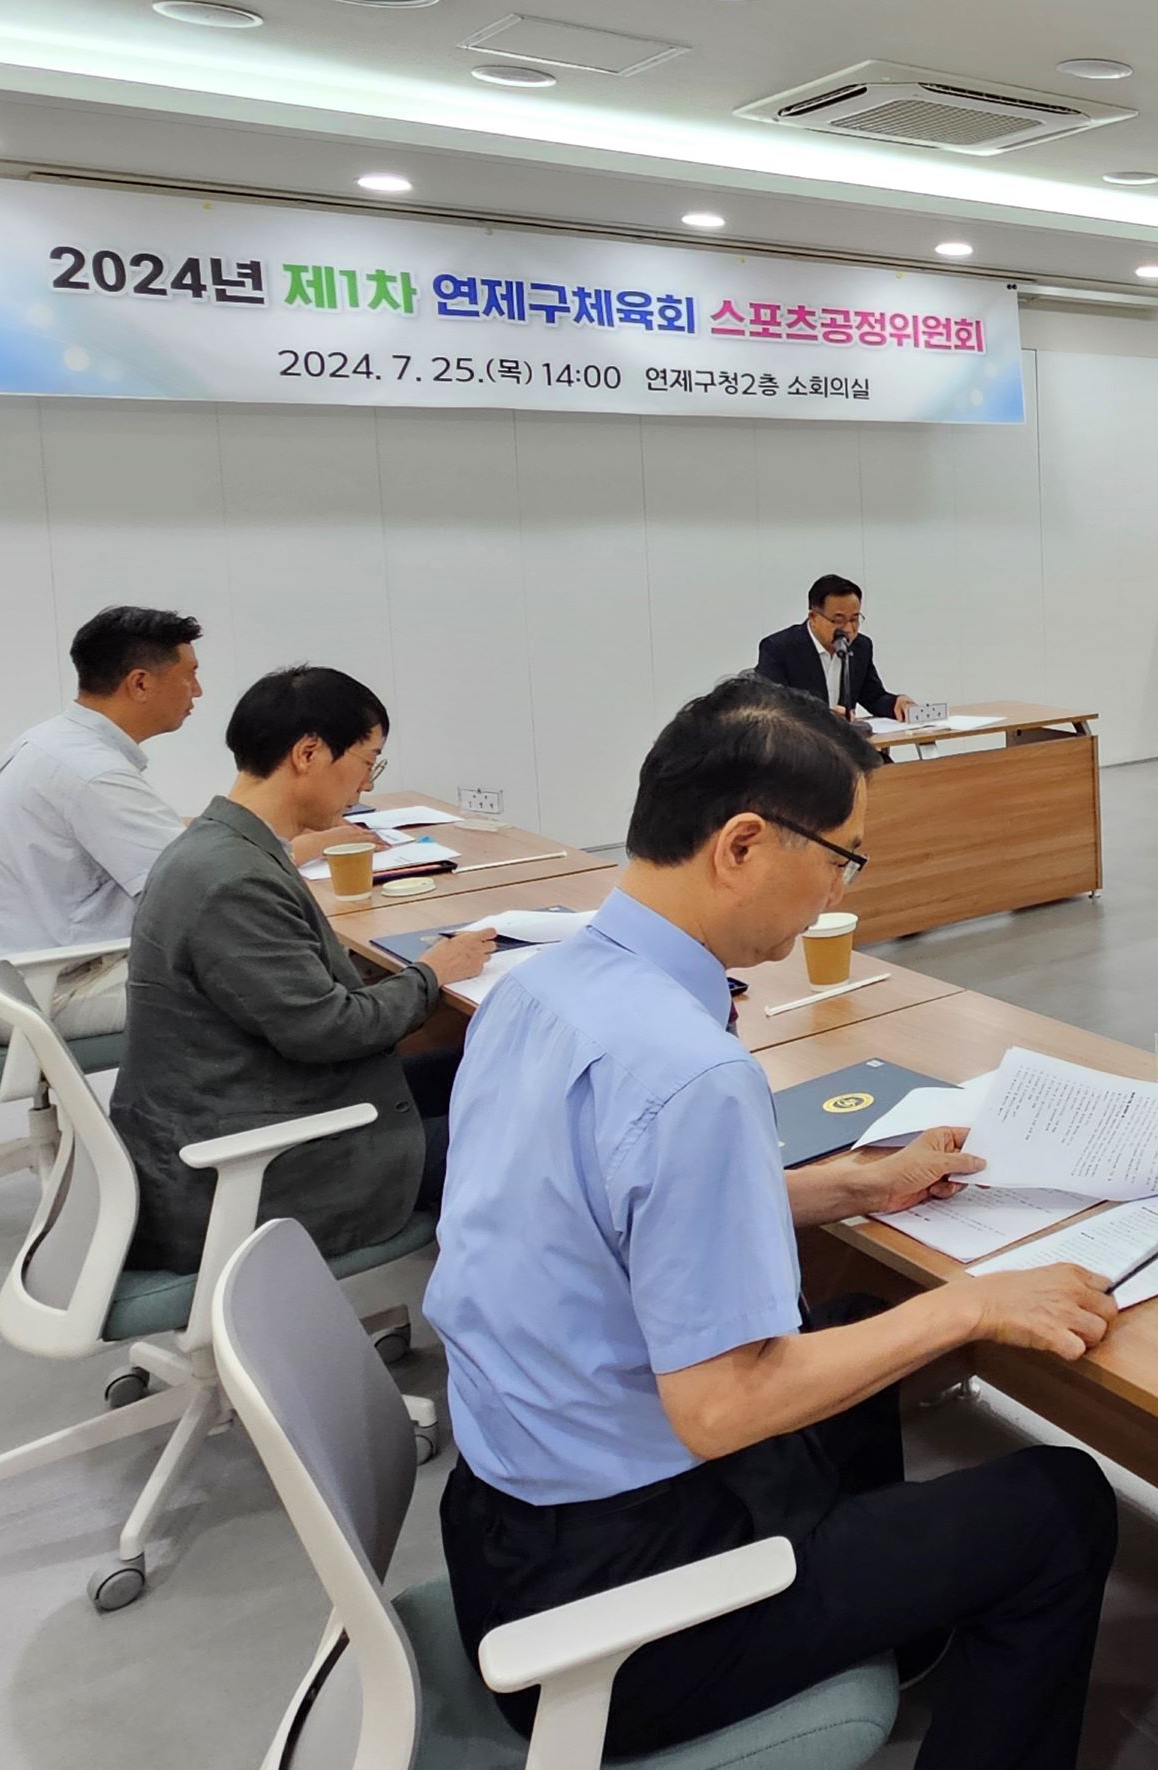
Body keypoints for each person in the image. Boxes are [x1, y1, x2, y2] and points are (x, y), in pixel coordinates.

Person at [428, 677, 1118, 1770]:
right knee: (1059, 1505)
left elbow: (596, 1213)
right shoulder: (689, 1071)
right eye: (841, 858)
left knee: (849, 1319)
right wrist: (969, 1306)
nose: (841, 891)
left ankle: (891, 1626)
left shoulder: (536, 990)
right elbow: (720, 1408)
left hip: (505, 1525)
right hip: (620, 1608)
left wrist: (850, 1188)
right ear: (743, 845)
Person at [110, 667, 495, 1270]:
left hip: (243, 1107)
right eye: (367, 762)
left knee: (482, 1066)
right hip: (257, 1169)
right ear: (308, 753)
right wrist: (432, 972)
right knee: (526, 1130)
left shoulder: (218, 847)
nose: (365, 785)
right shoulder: (232, 880)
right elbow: (331, 1030)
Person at [0, 606, 200, 1042]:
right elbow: (199, 884)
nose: (198, 691)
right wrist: (299, 853)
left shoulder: (55, 743)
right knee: (263, 983)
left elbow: (180, 850)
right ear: (140, 683)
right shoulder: (90, 771)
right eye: (189, 676)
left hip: (13, 977)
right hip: (44, 994)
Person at [756, 575, 917, 724]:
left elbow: (873, 697)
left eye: (854, 619)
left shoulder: (861, 647)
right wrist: (824, 716)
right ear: (813, 618)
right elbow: (772, 708)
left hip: (844, 742)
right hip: (798, 741)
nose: (848, 629)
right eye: (838, 620)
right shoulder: (778, 648)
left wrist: (896, 703)